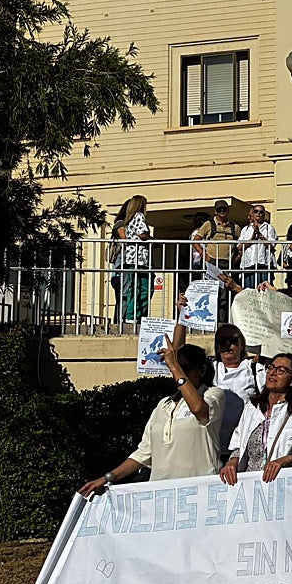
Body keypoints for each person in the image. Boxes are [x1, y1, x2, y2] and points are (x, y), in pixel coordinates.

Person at [78, 343, 223, 494]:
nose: (178, 373)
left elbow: (198, 409)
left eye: (184, 368)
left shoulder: (213, 395)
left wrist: (174, 366)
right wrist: (106, 478)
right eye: (174, 368)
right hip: (161, 495)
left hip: (200, 493)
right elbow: (143, 454)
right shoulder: (163, 405)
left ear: (202, 370)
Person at [173, 317, 266, 459]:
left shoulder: (254, 369)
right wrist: (183, 317)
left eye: (233, 340)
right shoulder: (212, 368)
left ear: (242, 344)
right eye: (222, 341)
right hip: (211, 447)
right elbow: (178, 356)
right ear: (216, 347)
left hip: (242, 447)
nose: (228, 345)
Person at [221, 353, 292, 484]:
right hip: (251, 487)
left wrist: (287, 460)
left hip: (285, 486)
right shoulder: (252, 408)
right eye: (271, 367)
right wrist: (232, 463)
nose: (272, 373)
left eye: (281, 370)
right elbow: (238, 447)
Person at [119, 194, 152, 322]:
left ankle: (131, 315)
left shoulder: (129, 219)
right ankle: (134, 316)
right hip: (138, 259)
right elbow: (142, 234)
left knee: (136, 288)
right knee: (143, 288)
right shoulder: (138, 216)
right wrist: (153, 240)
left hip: (133, 258)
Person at [237, 204, 278, 289]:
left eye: (261, 212)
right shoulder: (246, 229)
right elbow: (240, 247)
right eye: (256, 211)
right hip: (248, 264)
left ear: (264, 214)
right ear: (252, 214)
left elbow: (272, 246)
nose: (258, 214)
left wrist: (260, 236)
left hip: (264, 265)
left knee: (265, 292)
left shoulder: (269, 228)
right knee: (249, 291)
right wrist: (252, 239)